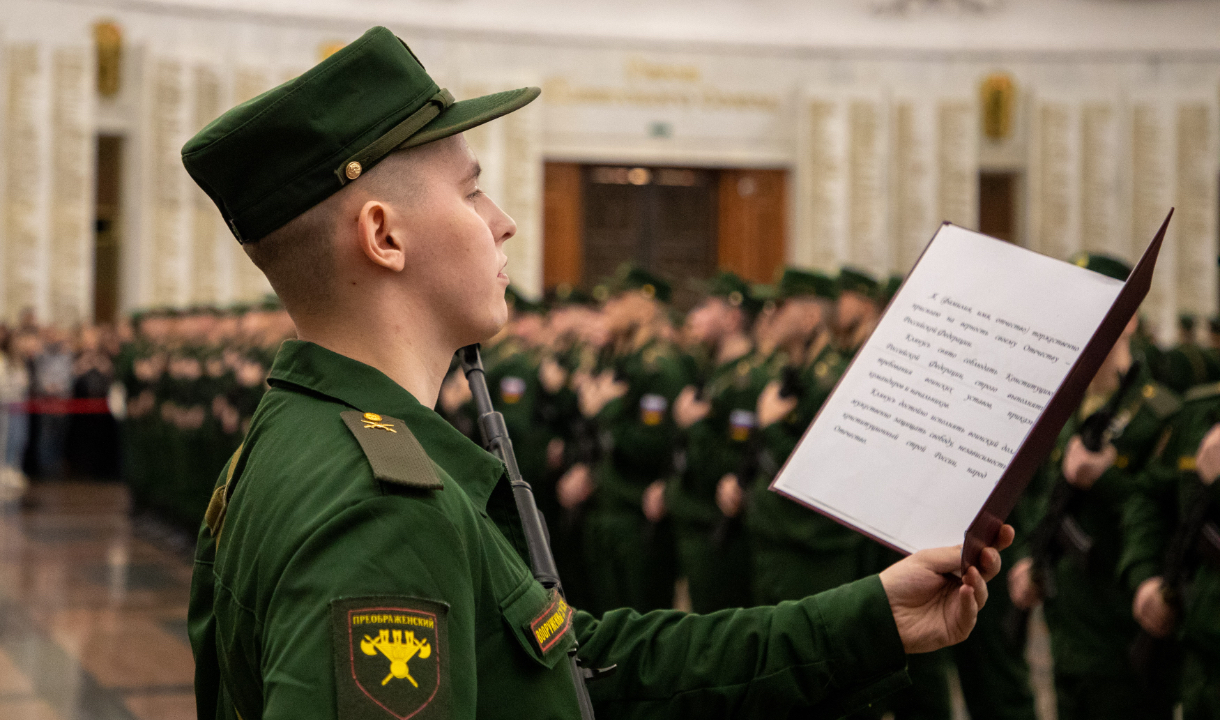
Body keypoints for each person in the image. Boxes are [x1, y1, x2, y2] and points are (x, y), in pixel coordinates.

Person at [183, 26, 1009, 720]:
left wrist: (868, 619)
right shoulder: (381, 512)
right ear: (384, 236)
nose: (502, 223)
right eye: (471, 194)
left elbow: (573, 664)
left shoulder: (297, 440)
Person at [1008, 254, 1180, 720]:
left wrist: (1106, 482)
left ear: (1130, 321)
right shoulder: (1065, 409)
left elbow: (1167, 520)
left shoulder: (1160, 414)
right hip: (1067, 635)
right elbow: (1043, 499)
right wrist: (1027, 557)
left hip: (1123, 638)